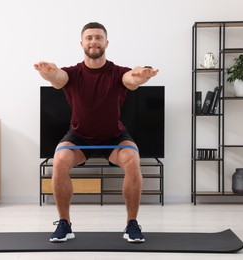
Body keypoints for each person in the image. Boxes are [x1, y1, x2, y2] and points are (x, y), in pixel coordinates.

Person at [34, 22, 159, 243]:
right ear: (82, 43)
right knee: (59, 159)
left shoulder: (117, 72)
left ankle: (132, 224)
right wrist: (49, 72)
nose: (94, 41)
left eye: (98, 37)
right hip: (79, 136)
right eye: (89, 37)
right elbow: (58, 78)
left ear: (106, 43)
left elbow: (131, 79)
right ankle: (65, 223)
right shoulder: (72, 73)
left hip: (114, 137)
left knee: (132, 160)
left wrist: (142, 75)